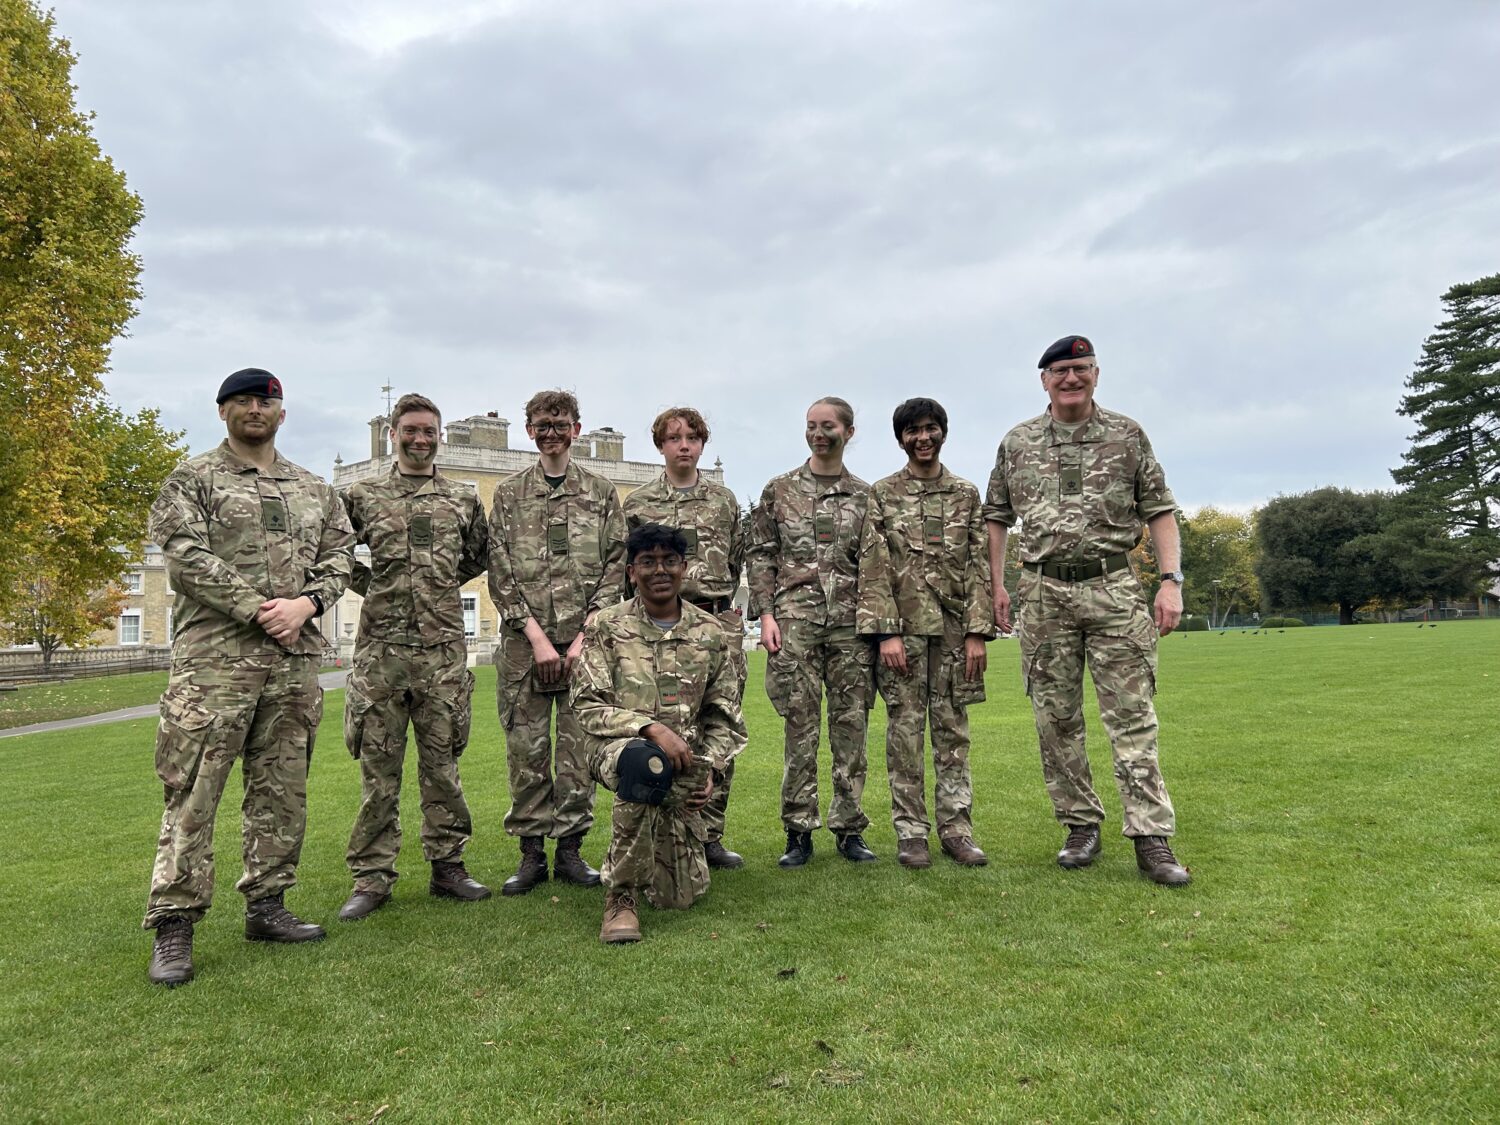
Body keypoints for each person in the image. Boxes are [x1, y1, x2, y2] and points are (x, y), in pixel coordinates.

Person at [143, 368, 354, 987]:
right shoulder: (193, 480)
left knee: (281, 790)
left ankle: (267, 904)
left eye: (265, 401)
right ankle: (174, 922)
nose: (254, 409)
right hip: (215, 663)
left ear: (281, 413)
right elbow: (184, 557)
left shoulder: (314, 489)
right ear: (222, 412)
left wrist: (307, 605)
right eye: (241, 401)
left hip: (291, 663)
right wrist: (261, 609)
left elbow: (341, 556)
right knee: (194, 789)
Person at [984, 335, 1190, 886]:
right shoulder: (1018, 442)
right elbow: (996, 517)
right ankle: (1079, 825)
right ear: (1044, 380)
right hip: (1043, 593)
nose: (1070, 378)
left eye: (1080, 368)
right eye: (1060, 371)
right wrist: (996, 586)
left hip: (1114, 588)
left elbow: (1160, 510)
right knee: (1055, 719)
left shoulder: (1127, 435)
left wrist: (1170, 581)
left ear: (1096, 374)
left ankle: (1150, 836)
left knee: (1132, 716)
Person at [337, 393, 492, 921]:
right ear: (393, 434)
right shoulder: (363, 495)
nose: (420, 439)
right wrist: (376, 584)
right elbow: (332, 553)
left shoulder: (462, 500)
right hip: (380, 654)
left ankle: (448, 865)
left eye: (429, 431)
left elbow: (478, 555)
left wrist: (437, 585)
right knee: (378, 773)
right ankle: (372, 877)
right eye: (410, 430)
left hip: (442, 653)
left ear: (439, 436)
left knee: (442, 767)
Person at [571, 524, 748, 943]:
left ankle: (659, 846)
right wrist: (649, 729)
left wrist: (710, 770)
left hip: (683, 762)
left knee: (678, 895)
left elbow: (724, 715)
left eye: (669, 560)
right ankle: (621, 898)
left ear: (684, 568)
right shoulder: (607, 627)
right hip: (616, 749)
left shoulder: (710, 633)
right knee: (644, 761)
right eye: (648, 562)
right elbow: (587, 705)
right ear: (632, 572)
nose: (660, 570)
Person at [487, 390, 627, 894]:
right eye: (542, 425)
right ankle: (531, 855)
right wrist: (538, 639)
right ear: (529, 431)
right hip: (525, 649)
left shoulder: (601, 494)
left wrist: (584, 635)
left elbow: (615, 568)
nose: (552, 433)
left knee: (577, 753)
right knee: (526, 752)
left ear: (576, 429)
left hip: (583, 648)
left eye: (560, 424)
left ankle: (570, 851)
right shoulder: (508, 495)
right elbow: (500, 571)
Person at [856, 398, 995, 869]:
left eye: (930, 428)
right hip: (905, 635)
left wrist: (977, 633)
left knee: (953, 732)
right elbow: (873, 569)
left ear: (943, 433)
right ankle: (911, 833)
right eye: (912, 431)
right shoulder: (882, 494)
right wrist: (886, 634)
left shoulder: (965, 494)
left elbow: (978, 566)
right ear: (901, 439)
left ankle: (957, 830)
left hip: (955, 635)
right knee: (905, 734)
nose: (923, 438)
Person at [748, 397, 877, 867]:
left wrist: (876, 626)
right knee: (799, 729)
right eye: (811, 426)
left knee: (851, 728)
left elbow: (875, 565)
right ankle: (798, 829)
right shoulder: (779, 490)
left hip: (850, 625)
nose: (818, 434)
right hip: (795, 622)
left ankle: (849, 827)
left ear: (848, 431)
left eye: (828, 426)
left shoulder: (865, 496)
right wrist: (766, 615)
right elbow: (761, 554)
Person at [622, 407, 747, 870]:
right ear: (661, 446)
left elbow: (734, 560)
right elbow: (627, 572)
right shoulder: (638, 504)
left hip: (713, 625)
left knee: (719, 724)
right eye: (674, 438)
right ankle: (661, 834)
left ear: (702, 444)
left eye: (692, 437)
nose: (684, 445)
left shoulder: (723, 501)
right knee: (661, 724)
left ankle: (710, 834)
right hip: (657, 626)